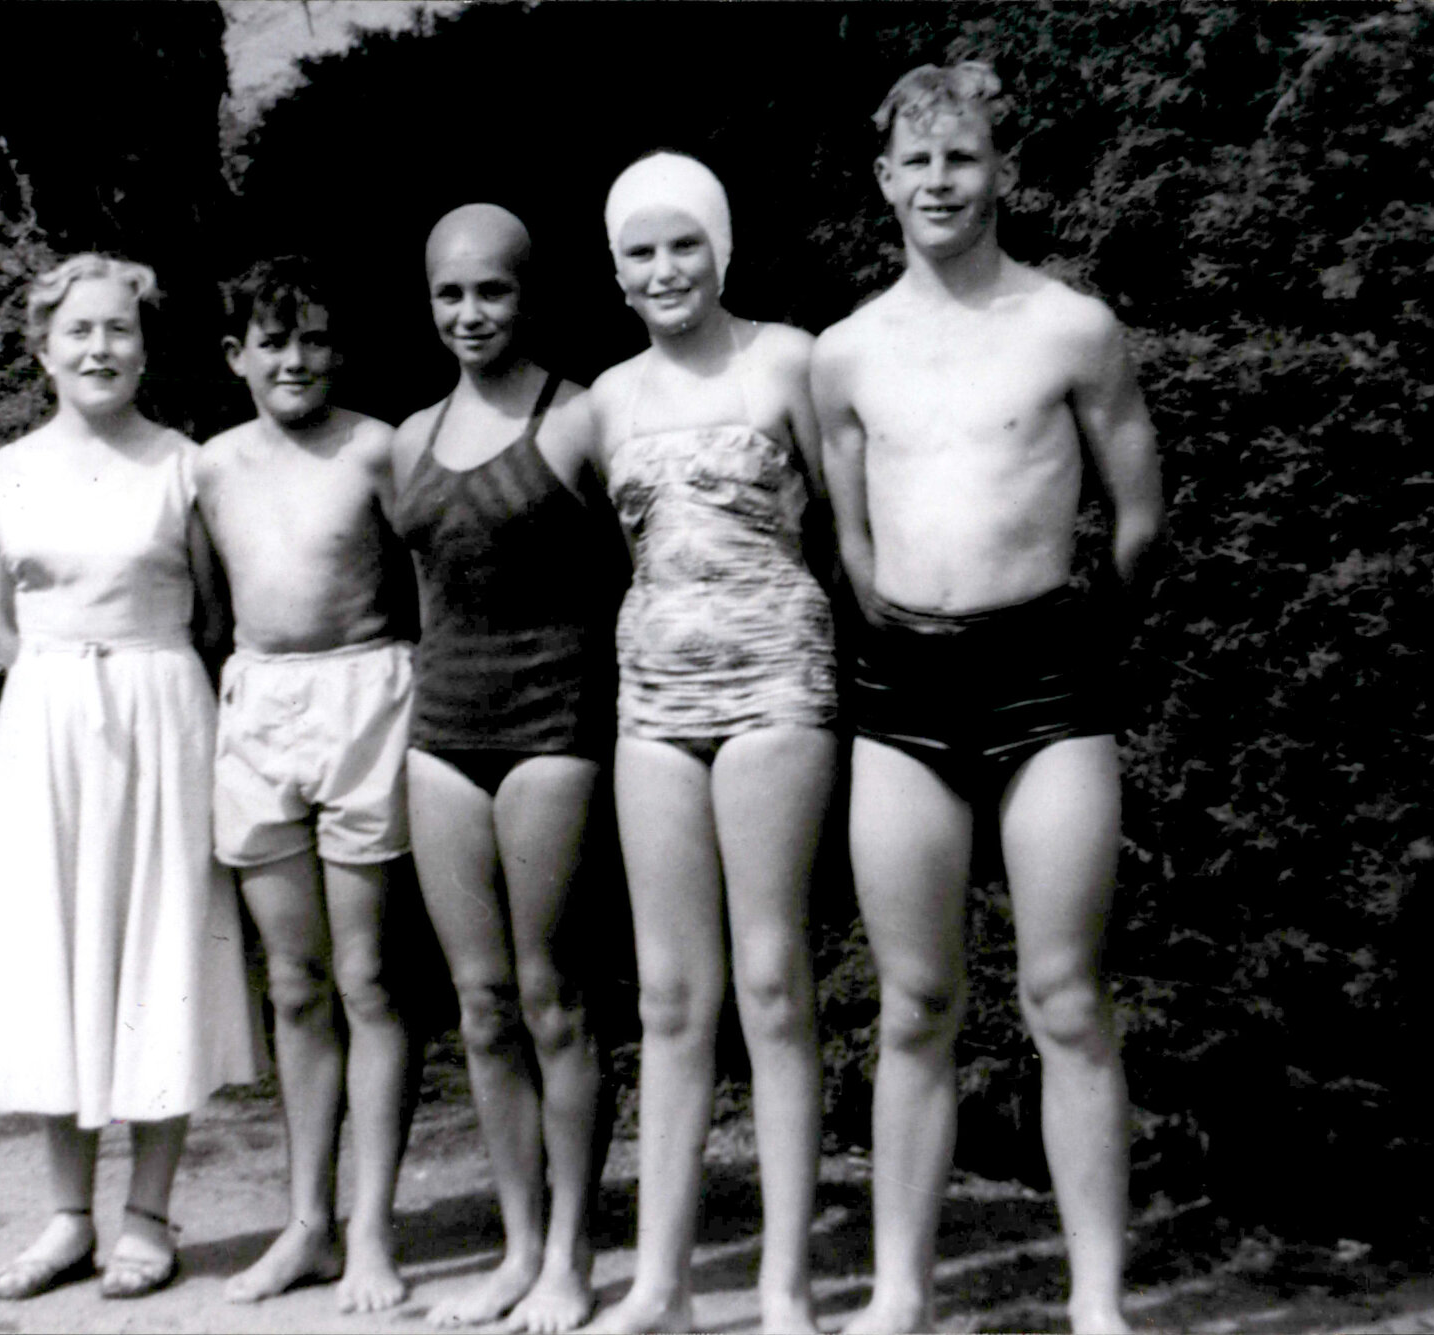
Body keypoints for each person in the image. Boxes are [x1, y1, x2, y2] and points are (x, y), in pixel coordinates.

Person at [811, 63, 1163, 1335]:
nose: (939, 183)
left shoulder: (1070, 326)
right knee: (913, 1002)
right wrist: (906, 623)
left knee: (1064, 995)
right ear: (884, 181)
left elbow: (1137, 519)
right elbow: (848, 544)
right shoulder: (844, 354)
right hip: (905, 688)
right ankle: (899, 1293)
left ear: (999, 172)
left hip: (1049, 680)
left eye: (961, 159)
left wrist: (1069, 631)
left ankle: (1095, 1301)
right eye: (916, 162)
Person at [0, 253, 263, 1301]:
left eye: (118, 331)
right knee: (59, 952)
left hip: (159, 709)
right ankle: (67, 1215)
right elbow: (7, 625)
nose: (99, 349)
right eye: (78, 331)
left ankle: (148, 1214)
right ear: (42, 349)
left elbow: (215, 618)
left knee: (157, 945)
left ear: (144, 346)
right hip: (49, 718)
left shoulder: (188, 468)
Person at [582, 152, 838, 1335]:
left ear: (720, 249)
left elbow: (851, 519)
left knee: (773, 982)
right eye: (639, 250)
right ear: (616, 270)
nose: (663, 268)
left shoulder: (785, 358)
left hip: (774, 681)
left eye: (682, 243)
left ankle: (783, 1288)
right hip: (651, 698)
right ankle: (661, 1286)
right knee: (669, 998)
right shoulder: (605, 400)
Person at [390, 205, 620, 1333]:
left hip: (551, 728)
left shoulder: (579, 418)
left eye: (490, 291)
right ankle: (517, 1247)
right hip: (440, 735)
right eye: (448, 294)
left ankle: (573, 1255)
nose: (469, 312)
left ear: (526, 294)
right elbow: (427, 598)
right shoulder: (406, 438)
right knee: (479, 1008)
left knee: (551, 998)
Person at [194, 257, 418, 1314]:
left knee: (368, 978)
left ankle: (369, 1233)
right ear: (234, 355)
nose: (294, 359)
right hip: (259, 707)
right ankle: (306, 1224)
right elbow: (203, 615)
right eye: (271, 341)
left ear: (340, 349)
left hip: (365, 701)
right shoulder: (207, 470)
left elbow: (425, 590)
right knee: (294, 982)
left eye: (314, 338)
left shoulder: (376, 449)